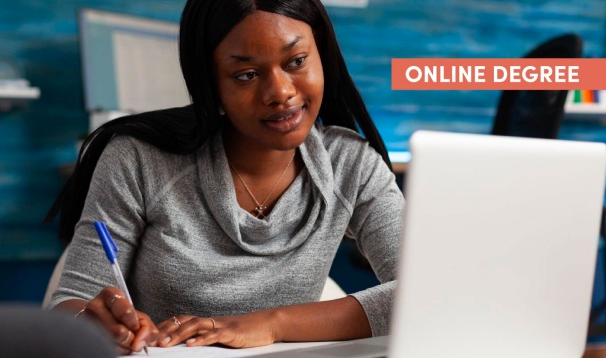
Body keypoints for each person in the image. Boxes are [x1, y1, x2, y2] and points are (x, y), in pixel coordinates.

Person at [44, 0, 404, 355]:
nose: (280, 92)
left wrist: (270, 324)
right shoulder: (139, 160)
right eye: (246, 75)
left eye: (296, 62)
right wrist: (88, 322)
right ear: (211, 84)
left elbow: (430, 290)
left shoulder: (351, 163)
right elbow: (68, 305)